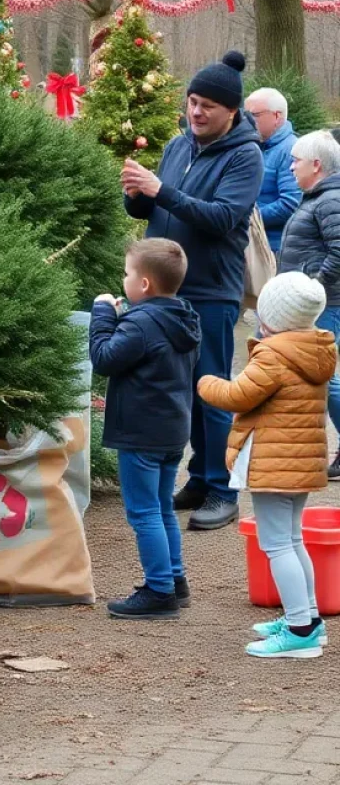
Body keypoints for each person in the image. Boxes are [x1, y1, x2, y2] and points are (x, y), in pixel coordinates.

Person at [122, 50, 263, 531]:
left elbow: (223, 219)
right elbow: (155, 213)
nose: (196, 112)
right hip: (163, 293)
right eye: (192, 101)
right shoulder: (178, 145)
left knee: (214, 392)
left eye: (207, 106)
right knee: (182, 392)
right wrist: (137, 197)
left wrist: (161, 191)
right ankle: (201, 478)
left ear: (232, 112)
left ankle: (224, 491)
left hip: (210, 291)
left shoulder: (246, 155)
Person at [198, 272, 334, 658]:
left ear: (271, 316)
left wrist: (206, 381)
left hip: (275, 463)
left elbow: (239, 395)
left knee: (277, 546)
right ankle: (307, 619)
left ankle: (299, 631)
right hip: (299, 463)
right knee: (292, 540)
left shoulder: (274, 355)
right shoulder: (316, 347)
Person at [90, 239, 201, 620]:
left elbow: (105, 359)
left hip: (140, 434)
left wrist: (103, 314)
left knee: (143, 513)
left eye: (126, 273)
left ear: (145, 285)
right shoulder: (184, 317)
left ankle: (158, 591)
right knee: (162, 508)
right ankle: (175, 579)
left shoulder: (139, 323)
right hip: (172, 430)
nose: (123, 279)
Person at [277, 130, 340, 479]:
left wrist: (311, 290)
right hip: (304, 306)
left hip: (321, 307)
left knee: (324, 380)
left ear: (316, 165)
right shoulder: (314, 197)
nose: (290, 168)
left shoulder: (330, 200)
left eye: (295, 161)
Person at [244, 88, 300, 255]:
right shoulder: (254, 147)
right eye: (245, 115)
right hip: (251, 244)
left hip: (273, 250)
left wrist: (244, 218)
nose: (247, 121)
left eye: (254, 115)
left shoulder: (291, 150)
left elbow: (290, 204)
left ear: (276, 116)